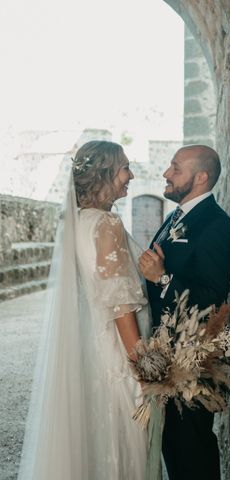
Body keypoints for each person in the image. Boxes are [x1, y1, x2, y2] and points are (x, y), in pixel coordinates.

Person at [19, 140, 151, 480]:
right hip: (116, 355)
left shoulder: (77, 221)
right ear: (105, 174)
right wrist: (144, 363)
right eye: (124, 167)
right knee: (123, 440)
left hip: (88, 348)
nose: (130, 174)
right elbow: (118, 301)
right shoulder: (107, 224)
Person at [139, 144, 230, 480]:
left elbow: (211, 297)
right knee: (173, 446)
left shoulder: (218, 226)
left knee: (192, 449)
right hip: (166, 355)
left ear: (201, 177)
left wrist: (163, 278)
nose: (166, 173)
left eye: (175, 167)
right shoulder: (174, 217)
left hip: (193, 360)